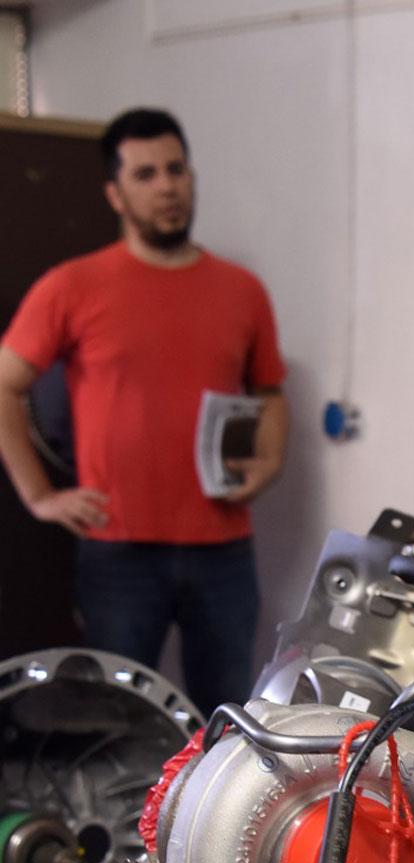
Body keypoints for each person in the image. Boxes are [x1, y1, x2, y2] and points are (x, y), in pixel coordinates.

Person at [0, 108, 287, 716]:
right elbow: (5, 383)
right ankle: (135, 817)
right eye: (146, 173)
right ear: (115, 192)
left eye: (177, 170)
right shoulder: (72, 285)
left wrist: (270, 459)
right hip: (118, 551)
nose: (166, 186)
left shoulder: (241, 290)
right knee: (116, 717)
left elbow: (269, 392)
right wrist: (39, 496)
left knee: (229, 719)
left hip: (222, 547)